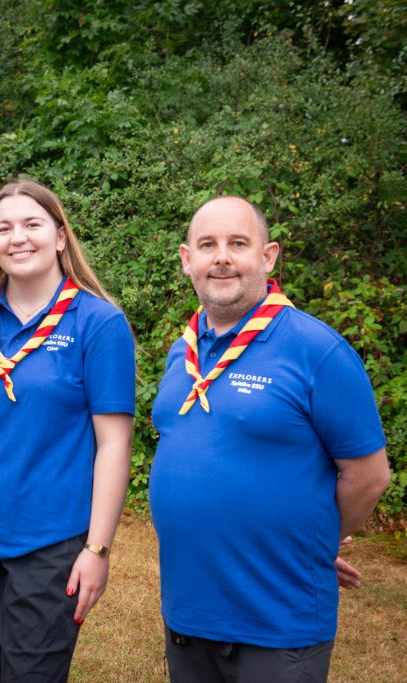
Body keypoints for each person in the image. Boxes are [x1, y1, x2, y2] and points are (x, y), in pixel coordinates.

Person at [150, 196, 391, 682]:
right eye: (207, 244)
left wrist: (312, 540)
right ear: (186, 259)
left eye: (238, 243)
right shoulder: (184, 351)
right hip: (188, 613)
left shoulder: (316, 350)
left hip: (277, 625)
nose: (222, 257)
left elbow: (368, 476)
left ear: (268, 256)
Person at [0, 180, 135, 681]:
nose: (17, 237)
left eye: (32, 224)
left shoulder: (99, 324)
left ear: (60, 236)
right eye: (3, 227)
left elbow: (113, 444)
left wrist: (97, 549)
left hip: (50, 541)